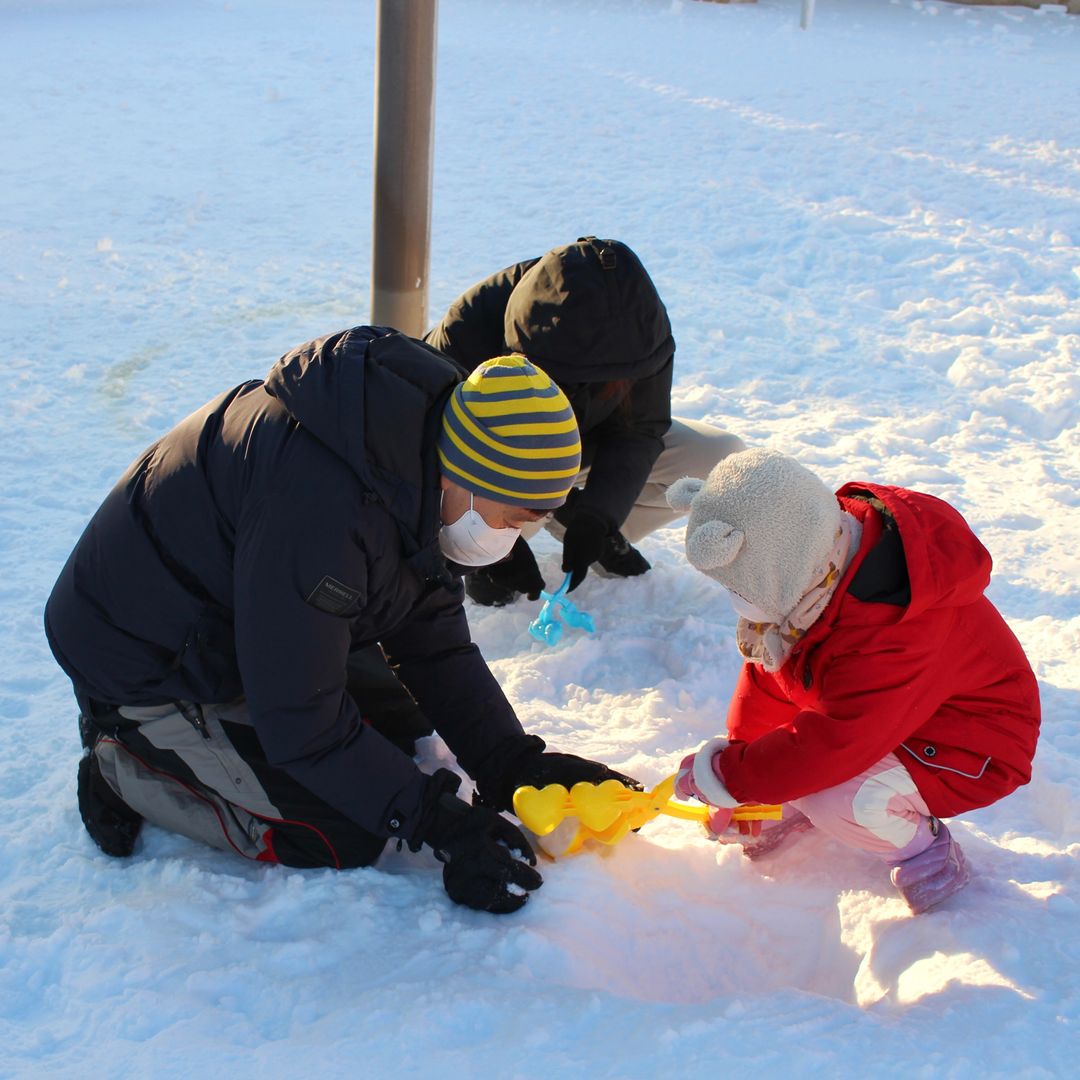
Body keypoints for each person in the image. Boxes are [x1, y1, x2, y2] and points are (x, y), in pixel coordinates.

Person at [45, 328, 638, 914]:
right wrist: (437, 822)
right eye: (510, 517)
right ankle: (123, 760)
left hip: (242, 615)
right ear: (464, 474)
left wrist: (511, 761)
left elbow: (432, 642)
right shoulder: (323, 508)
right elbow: (302, 721)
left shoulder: (412, 459)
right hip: (147, 659)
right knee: (342, 830)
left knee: (399, 729)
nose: (509, 541)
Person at [666, 449, 1041, 914]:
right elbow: (769, 680)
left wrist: (732, 776)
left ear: (782, 564)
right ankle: (790, 799)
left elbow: (838, 743)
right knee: (798, 769)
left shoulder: (894, 625)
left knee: (840, 796)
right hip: (891, 718)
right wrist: (743, 763)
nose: (739, 606)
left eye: (740, 590)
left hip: (967, 745)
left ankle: (925, 851)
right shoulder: (819, 571)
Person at [424, 236, 746, 606]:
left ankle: (571, 517)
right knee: (479, 542)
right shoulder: (468, 329)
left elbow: (640, 430)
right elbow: (428, 454)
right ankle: (519, 528)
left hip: (584, 450)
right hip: (500, 469)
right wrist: (496, 553)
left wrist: (598, 515)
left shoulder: (640, 328)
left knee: (724, 460)